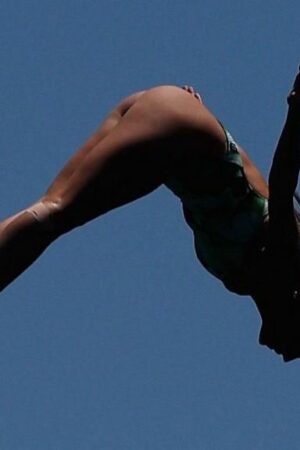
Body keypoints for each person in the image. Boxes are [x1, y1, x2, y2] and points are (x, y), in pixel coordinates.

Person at [1, 70, 300, 362]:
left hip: (170, 123)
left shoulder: (247, 277)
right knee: (55, 213)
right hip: (175, 129)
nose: (289, 356)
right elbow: (283, 182)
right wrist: (295, 112)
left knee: (49, 208)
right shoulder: (286, 253)